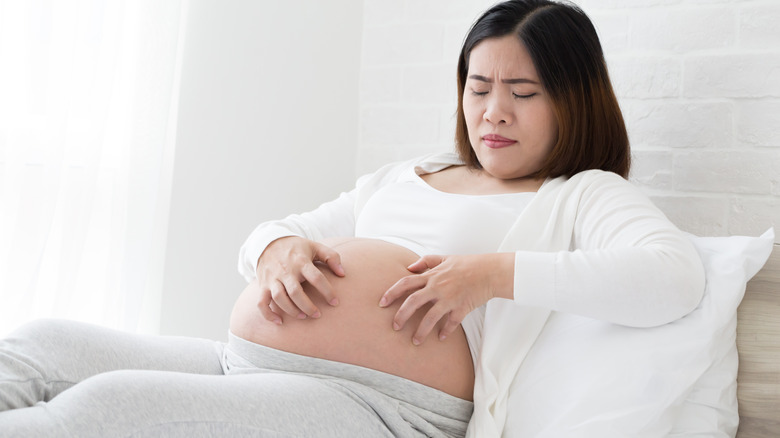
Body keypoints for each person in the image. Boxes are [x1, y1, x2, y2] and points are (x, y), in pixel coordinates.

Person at [0, 1, 705, 437]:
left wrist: (487, 277)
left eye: (522, 91)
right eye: (479, 86)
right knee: (37, 347)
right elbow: (276, 229)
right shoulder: (407, 175)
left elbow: (673, 279)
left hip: (377, 410)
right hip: (240, 362)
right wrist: (276, 248)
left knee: (102, 412)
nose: (492, 111)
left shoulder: (579, 194)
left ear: (575, 100)